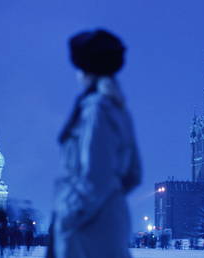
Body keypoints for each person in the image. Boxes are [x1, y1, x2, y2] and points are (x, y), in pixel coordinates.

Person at [52, 29, 141, 258]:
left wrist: (69, 213)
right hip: (111, 218)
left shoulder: (95, 109)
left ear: (86, 69)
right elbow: (134, 174)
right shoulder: (119, 107)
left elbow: (96, 175)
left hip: (89, 227)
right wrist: (111, 195)